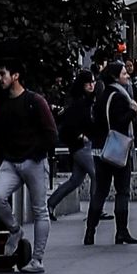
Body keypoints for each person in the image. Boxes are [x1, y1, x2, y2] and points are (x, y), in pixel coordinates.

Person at [0, 61, 55, 274]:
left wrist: (36, 154)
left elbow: (51, 133)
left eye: (2, 74)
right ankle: (15, 229)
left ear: (15, 76)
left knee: (40, 210)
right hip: (12, 161)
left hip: (33, 161)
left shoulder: (35, 101)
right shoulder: (3, 104)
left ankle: (38, 259)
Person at [86, 61, 137, 246]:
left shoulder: (102, 95)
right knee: (122, 190)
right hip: (116, 151)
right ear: (116, 76)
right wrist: (132, 111)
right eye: (124, 73)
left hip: (100, 149)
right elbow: (120, 123)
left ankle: (90, 232)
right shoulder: (119, 97)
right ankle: (122, 231)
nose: (127, 76)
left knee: (100, 190)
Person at [46, 70, 99, 219]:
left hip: (80, 146)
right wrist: (81, 135)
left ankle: (51, 203)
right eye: (88, 82)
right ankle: (95, 209)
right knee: (96, 174)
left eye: (93, 82)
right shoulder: (78, 103)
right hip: (80, 146)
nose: (91, 85)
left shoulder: (86, 101)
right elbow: (70, 125)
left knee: (75, 180)